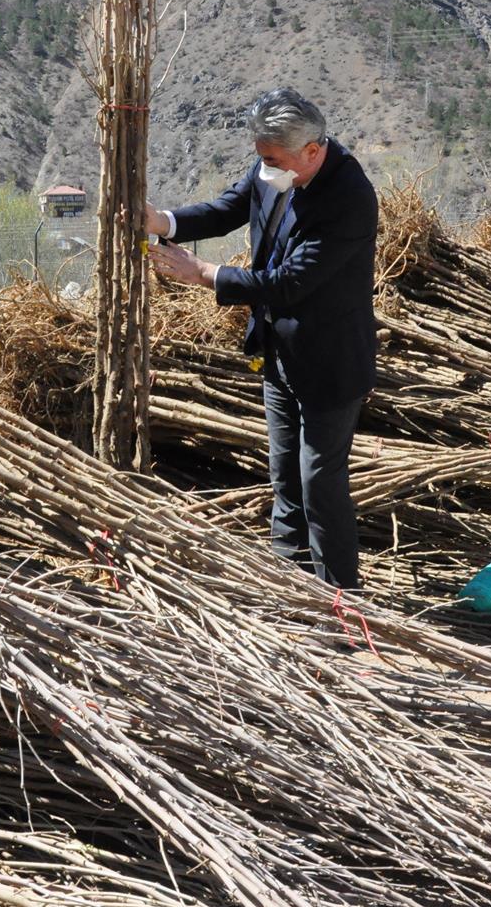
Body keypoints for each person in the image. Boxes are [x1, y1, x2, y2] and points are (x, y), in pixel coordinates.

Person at [146, 88, 377, 590]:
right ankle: (289, 586)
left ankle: (340, 599)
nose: (264, 167)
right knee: (285, 478)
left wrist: (204, 273)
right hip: (279, 352)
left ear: (311, 151)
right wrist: (165, 222)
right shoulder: (276, 165)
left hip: (330, 363)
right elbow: (230, 207)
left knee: (320, 484)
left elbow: (290, 282)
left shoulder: (348, 197)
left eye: (272, 159)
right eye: (261, 157)